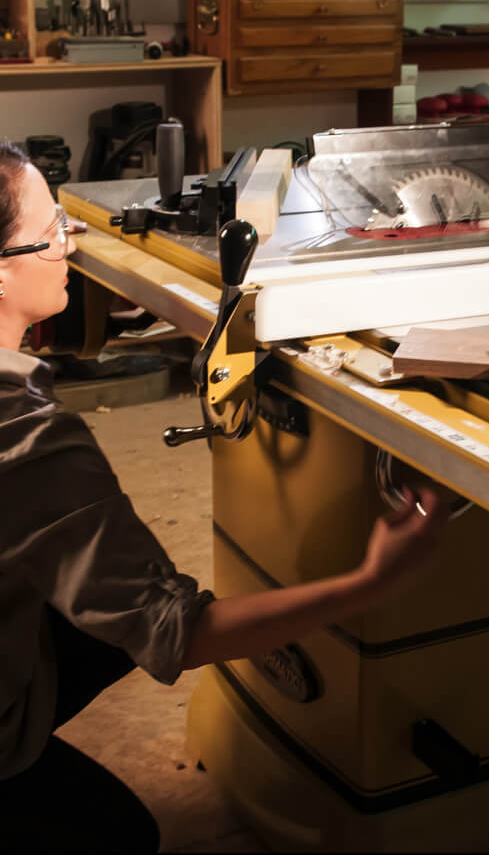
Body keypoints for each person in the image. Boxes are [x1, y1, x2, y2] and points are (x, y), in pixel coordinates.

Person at [0, 141, 448, 851]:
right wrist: (371, 583)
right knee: (123, 835)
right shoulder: (25, 438)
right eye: (53, 229)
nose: (71, 242)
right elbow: (179, 631)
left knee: (96, 608)